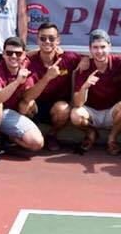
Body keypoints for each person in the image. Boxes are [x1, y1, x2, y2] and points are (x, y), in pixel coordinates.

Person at [70, 29, 121, 155]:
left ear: (110, 47)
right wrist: (85, 86)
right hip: (91, 112)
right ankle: (91, 133)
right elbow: (78, 103)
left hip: (113, 112)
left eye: (103, 47)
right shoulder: (85, 66)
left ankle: (111, 140)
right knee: (75, 114)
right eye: (95, 47)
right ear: (90, 49)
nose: (99, 51)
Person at [0, 36, 45, 164]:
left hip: (11, 113)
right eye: (9, 53)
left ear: (23, 55)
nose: (13, 56)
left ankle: (7, 138)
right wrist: (17, 81)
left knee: (37, 143)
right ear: (3, 54)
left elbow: (28, 97)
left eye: (17, 53)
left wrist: (48, 78)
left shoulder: (27, 65)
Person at [22, 22, 82, 151]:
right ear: (37, 40)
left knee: (64, 109)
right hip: (35, 105)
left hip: (57, 107)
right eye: (43, 38)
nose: (47, 42)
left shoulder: (68, 58)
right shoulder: (29, 61)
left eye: (51, 38)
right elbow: (27, 97)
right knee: (24, 105)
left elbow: (88, 59)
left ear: (58, 40)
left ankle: (51, 135)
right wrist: (47, 77)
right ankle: (29, 135)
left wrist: (87, 59)